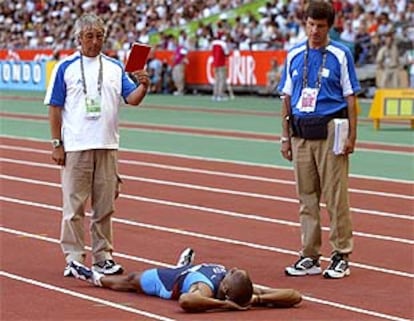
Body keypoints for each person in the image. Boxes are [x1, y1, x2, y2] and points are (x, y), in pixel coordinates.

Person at [44, 14, 150, 277]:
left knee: (105, 206)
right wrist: (57, 143)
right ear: (79, 38)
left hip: (107, 145)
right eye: (89, 36)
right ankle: (74, 257)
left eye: (99, 36)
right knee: (74, 207)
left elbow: (132, 99)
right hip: (77, 146)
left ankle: (102, 256)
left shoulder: (115, 67)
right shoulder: (65, 67)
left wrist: (144, 85)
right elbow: (55, 108)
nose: (94, 41)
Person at [277, 1, 361, 279]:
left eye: (321, 26)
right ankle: (310, 255)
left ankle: (341, 255)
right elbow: (286, 99)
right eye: (311, 25)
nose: (315, 31)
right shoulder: (293, 55)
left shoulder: (340, 54)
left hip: (331, 133)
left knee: (336, 197)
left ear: (330, 27)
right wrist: (285, 137)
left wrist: (352, 135)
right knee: (306, 198)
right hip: (301, 134)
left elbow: (350, 97)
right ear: (305, 23)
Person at [69, 248, 302, 312]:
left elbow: (186, 301)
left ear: (226, 288)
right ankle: (183, 265)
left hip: (170, 281)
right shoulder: (247, 291)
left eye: (232, 273)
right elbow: (295, 295)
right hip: (191, 270)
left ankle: (95, 278)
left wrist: (225, 306)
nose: (231, 269)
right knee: (184, 269)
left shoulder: (205, 290)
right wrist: (257, 299)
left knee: (130, 280)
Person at [211, 31, 230, 101]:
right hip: (221, 63)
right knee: (222, 79)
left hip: (215, 63)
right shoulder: (223, 43)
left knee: (216, 79)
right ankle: (220, 95)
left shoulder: (213, 43)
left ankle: (215, 94)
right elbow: (227, 53)